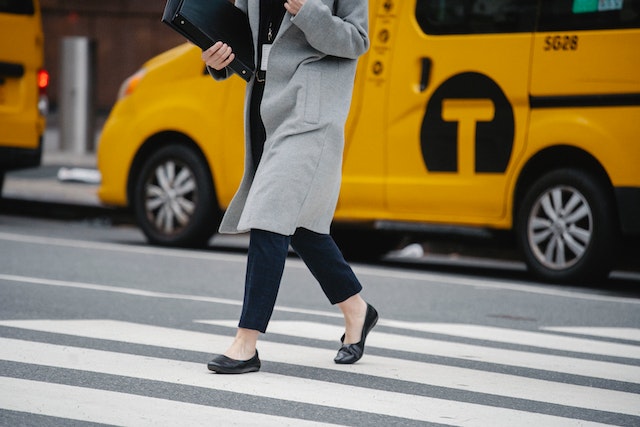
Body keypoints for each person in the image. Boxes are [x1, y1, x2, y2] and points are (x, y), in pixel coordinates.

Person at [201, 0, 376, 374]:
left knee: (270, 215)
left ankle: (245, 343)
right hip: (265, 106)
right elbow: (246, 38)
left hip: (310, 111)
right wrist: (219, 59)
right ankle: (357, 309)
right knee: (301, 228)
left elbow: (357, 40)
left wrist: (307, 11)